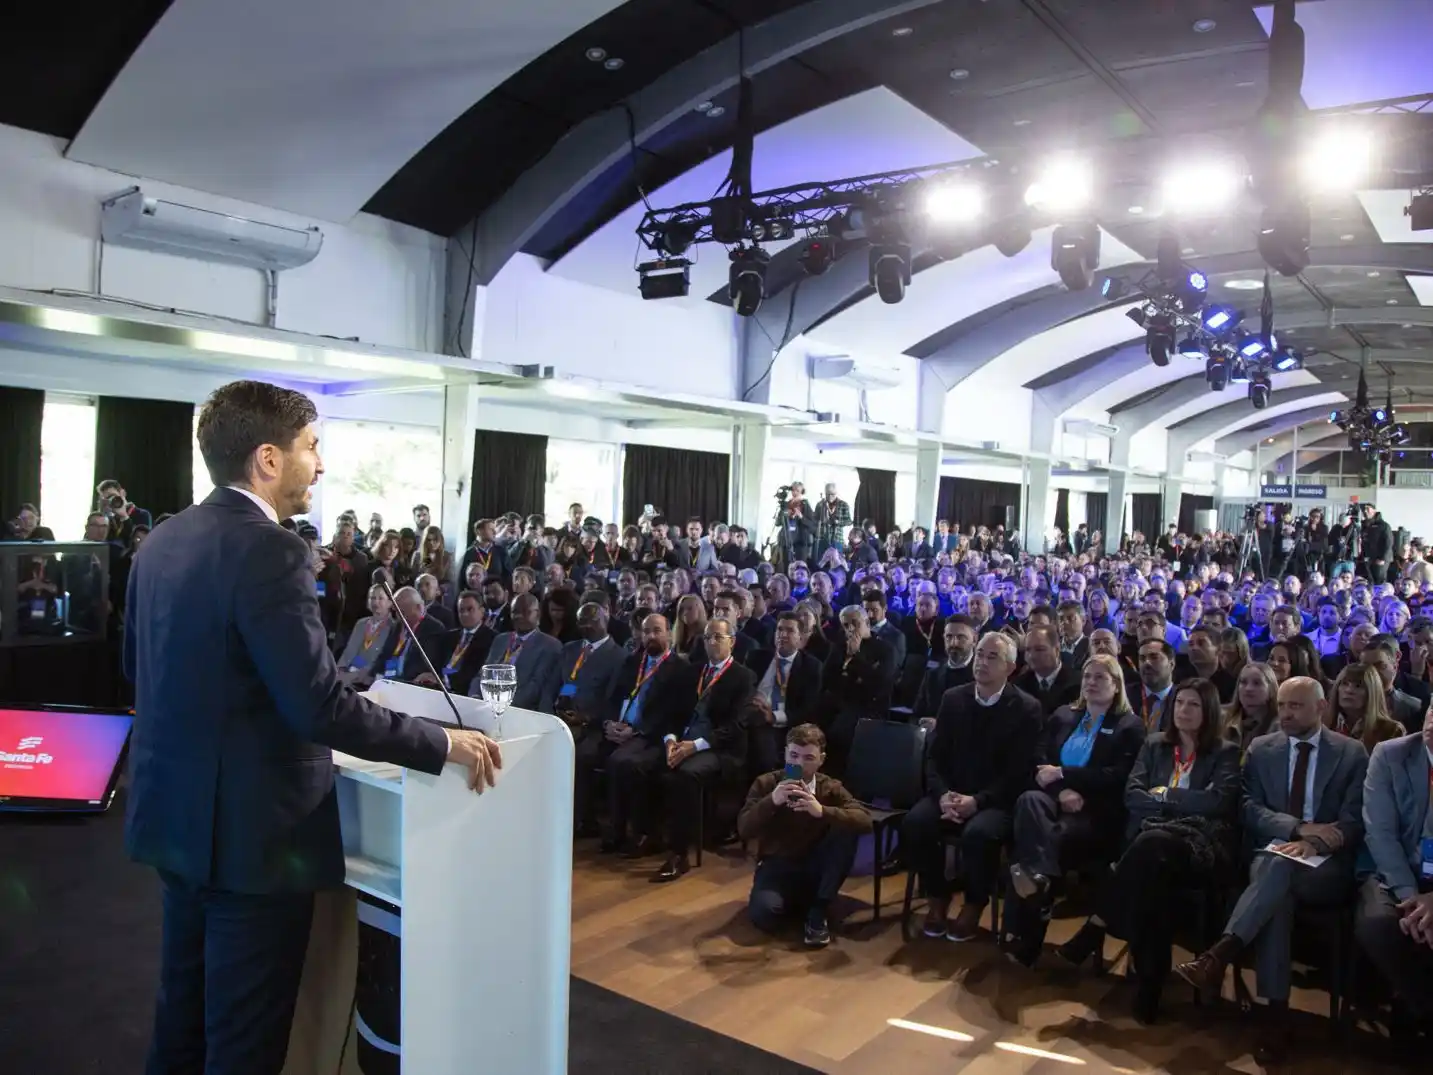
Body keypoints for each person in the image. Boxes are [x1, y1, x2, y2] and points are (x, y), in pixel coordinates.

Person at [123, 380, 499, 1075]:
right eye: (311, 447)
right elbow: (318, 706)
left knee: (180, 1027)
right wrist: (442, 742)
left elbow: (136, 668)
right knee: (242, 1043)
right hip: (256, 844)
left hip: (175, 823)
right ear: (268, 458)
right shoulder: (271, 549)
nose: (320, 465)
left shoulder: (161, 542)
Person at [1175, 676, 1368, 1066]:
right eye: (1281, 705)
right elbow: (1248, 808)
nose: (1284, 713)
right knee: (1276, 885)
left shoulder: (1351, 753)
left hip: (1326, 866)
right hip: (1275, 855)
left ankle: (1224, 955)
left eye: (1295, 706)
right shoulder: (1262, 749)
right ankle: (1274, 1019)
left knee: (1275, 873)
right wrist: (1296, 830)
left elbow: (1353, 820)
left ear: (1320, 708)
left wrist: (1313, 842)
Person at [1056, 678, 1241, 1023]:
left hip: (1200, 847)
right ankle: (1149, 986)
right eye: (1180, 703)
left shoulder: (1225, 751)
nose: (1183, 711)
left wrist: (1165, 797)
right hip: (1152, 847)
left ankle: (1100, 924)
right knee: (1153, 880)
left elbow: (1217, 803)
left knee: (1151, 849)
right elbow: (1133, 794)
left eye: (1193, 705)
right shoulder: (1155, 745)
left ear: (1209, 711)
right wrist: (1181, 804)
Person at [1005, 653, 1147, 966]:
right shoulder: (1063, 715)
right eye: (1087, 676)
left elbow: (1119, 776)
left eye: (1100, 677)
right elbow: (1039, 760)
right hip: (1056, 801)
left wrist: (1067, 776)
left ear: (1116, 685)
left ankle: (1032, 917)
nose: (1091, 683)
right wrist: (1061, 789)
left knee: (1035, 846)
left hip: (1097, 811)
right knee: (1029, 801)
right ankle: (1042, 882)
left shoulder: (1129, 726)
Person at [902, 631, 1041, 941]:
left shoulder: (1025, 708)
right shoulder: (953, 698)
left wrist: (976, 801)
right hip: (949, 793)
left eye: (992, 657)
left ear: (1010, 667)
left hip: (995, 800)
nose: (982, 661)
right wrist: (942, 797)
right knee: (915, 824)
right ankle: (937, 896)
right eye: (979, 654)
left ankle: (975, 903)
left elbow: (1018, 773)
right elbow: (934, 758)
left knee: (979, 835)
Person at [737, 724, 873, 948]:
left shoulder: (829, 787)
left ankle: (818, 909)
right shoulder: (766, 783)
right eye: (793, 756)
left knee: (846, 827)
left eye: (809, 757)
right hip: (777, 864)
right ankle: (804, 903)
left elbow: (865, 820)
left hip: (815, 864)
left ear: (821, 759)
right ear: (785, 754)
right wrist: (772, 800)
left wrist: (823, 811)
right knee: (765, 916)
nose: (799, 764)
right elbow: (744, 828)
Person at [652, 616, 755, 882]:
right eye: (707, 638)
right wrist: (671, 741)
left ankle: (679, 853)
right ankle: (648, 836)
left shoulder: (743, 677)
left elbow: (736, 726)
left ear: (732, 642)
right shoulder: (692, 671)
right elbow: (673, 712)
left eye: (718, 638)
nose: (711, 643)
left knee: (684, 775)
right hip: (685, 742)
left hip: (722, 749)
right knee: (646, 762)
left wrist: (695, 746)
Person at [1355, 709, 1433, 1039]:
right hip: (1392, 871)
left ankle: (1411, 1008)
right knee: (1380, 924)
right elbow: (1381, 834)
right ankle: (1424, 1009)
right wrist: (1412, 897)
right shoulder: (1390, 754)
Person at [746, 612, 823, 773]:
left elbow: (808, 708)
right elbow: (742, 689)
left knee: (764, 753)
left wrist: (773, 716)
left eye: (790, 631)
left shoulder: (811, 667)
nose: (783, 635)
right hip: (749, 714)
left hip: (783, 724)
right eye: (779, 630)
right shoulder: (756, 657)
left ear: (801, 638)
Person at [478, 592, 562, 713]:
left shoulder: (550, 645)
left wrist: (501, 705)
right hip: (487, 704)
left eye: (525, 611)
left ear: (537, 614)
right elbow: (482, 674)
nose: (519, 616)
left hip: (519, 710)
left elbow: (535, 687)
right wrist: (475, 696)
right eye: (515, 612)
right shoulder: (501, 639)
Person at [913, 616, 977, 719]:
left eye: (961, 637)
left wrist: (938, 726)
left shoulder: (982, 677)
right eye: (949, 637)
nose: (954, 643)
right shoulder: (932, 676)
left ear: (974, 639)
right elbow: (916, 715)